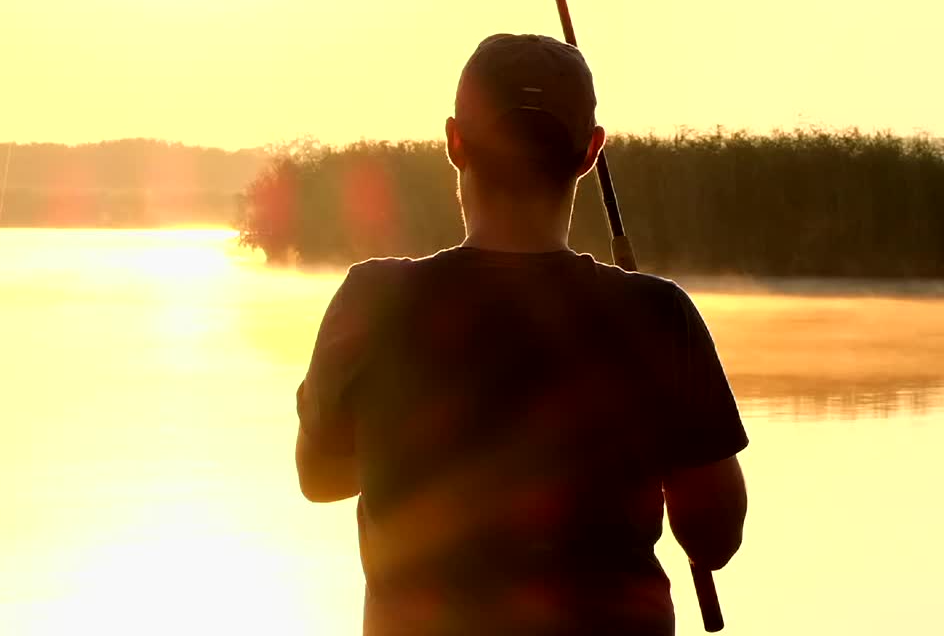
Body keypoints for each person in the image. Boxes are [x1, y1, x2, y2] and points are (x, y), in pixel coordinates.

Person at [294, 34, 748, 636]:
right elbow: (714, 539)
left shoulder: (371, 301)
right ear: (590, 151)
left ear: (455, 143)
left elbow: (318, 478)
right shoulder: (660, 315)